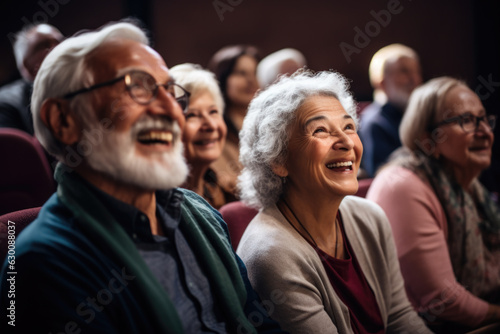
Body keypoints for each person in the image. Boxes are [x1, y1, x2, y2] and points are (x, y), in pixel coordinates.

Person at [0, 21, 285, 334]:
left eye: (170, 92)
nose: (172, 112)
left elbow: (260, 322)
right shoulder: (44, 264)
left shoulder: (199, 212)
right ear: (64, 120)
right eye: (138, 87)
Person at [236, 69, 432, 333]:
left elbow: (399, 318)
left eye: (349, 127)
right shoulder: (273, 255)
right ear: (279, 160)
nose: (346, 142)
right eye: (320, 130)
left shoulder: (370, 217)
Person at [367, 77, 500, 333]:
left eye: (483, 118)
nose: (484, 131)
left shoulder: (468, 183)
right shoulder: (402, 186)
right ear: (429, 136)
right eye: (467, 121)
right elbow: (442, 300)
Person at [169, 63, 236, 209]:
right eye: (192, 115)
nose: (211, 125)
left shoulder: (223, 192)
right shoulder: (161, 202)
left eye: (213, 112)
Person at [358, 43, 422, 177]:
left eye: (416, 72)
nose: (414, 80)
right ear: (381, 82)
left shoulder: (418, 115)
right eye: (404, 71)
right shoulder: (374, 123)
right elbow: (384, 176)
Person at [207, 44, 260, 194]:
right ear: (222, 79)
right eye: (241, 73)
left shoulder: (267, 127)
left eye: (255, 72)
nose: (251, 80)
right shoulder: (212, 130)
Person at [0, 23, 63, 135]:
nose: (57, 48)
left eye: (59, 42)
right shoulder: (5, 103)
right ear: (26, 65)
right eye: (44, 45)